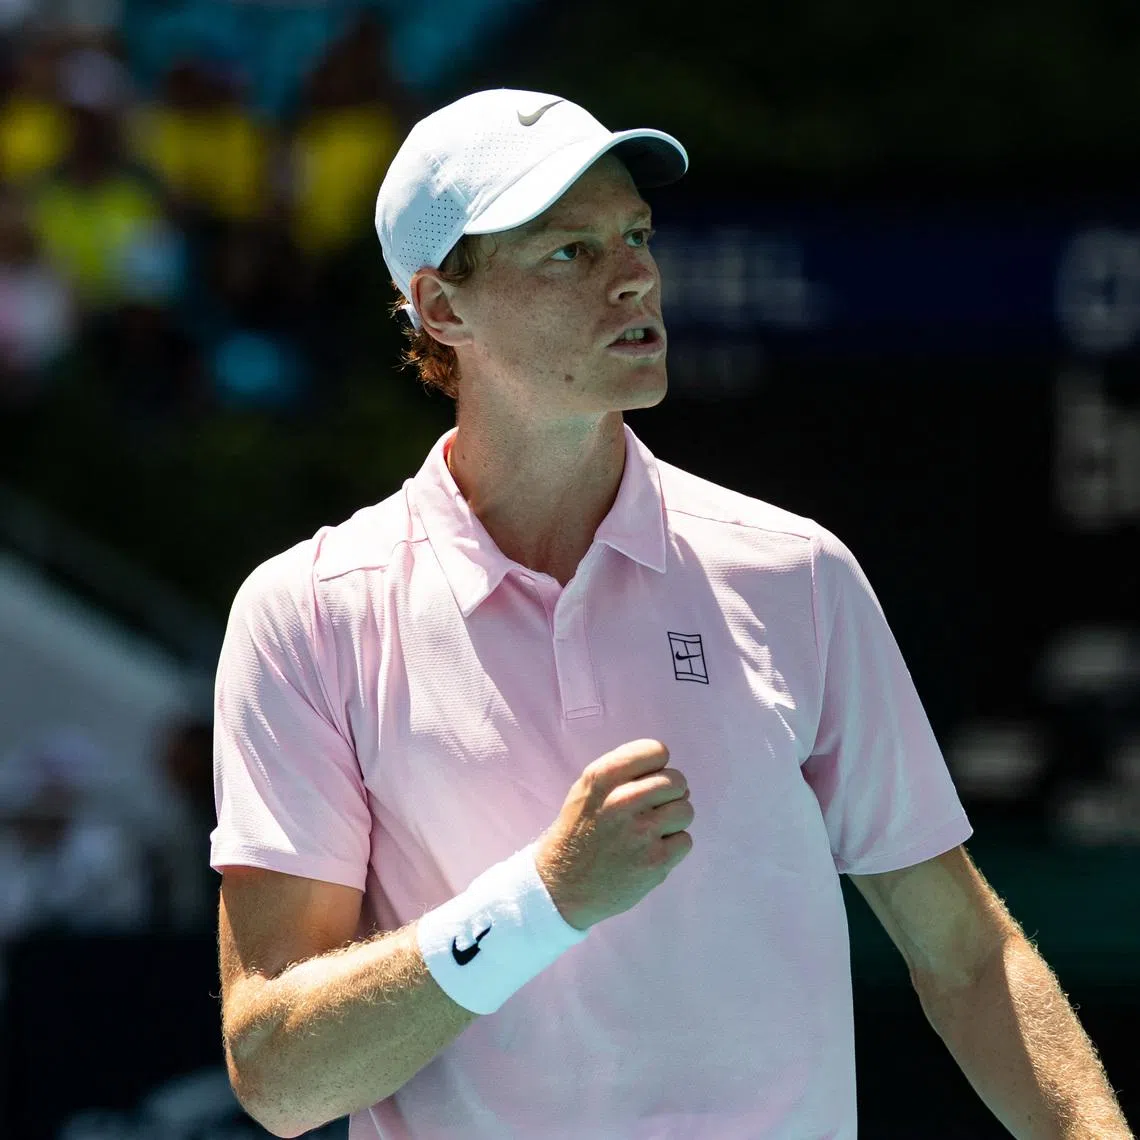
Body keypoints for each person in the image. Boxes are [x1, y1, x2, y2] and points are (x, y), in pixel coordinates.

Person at [211, 89, 1133, 1140]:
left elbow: (968, 960)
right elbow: (279, 1075)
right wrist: (542, 902)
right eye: (569, 251)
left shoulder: (799, 575)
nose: (634, 274)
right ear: (440, 308)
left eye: (635, 235)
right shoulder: (306, 616)